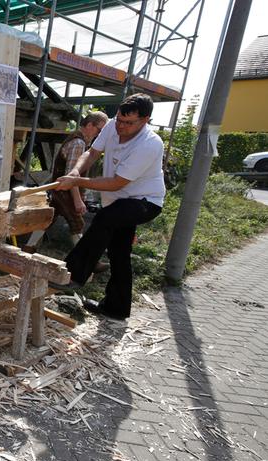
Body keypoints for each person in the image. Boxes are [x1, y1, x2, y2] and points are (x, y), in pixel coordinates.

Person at [53, 93, 165, 320]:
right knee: (119, 254)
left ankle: (72, 274)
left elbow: (116, 183)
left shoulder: (150, 144)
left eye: (129, 123)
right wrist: (76, 170)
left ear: (145, 120)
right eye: (120, 120)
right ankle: (116, 307)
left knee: (105, 218)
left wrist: (77, 181)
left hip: (145, 202)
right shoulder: (113, 125)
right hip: (119, 201)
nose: (121, 127)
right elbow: (92, 152)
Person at [24, 111, 108, 252]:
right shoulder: (78, 143)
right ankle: (86, 259)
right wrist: (77, 200)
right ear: (89, 125)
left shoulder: (78, 140)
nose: (100, 134)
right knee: (77, 223)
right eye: (100, 130)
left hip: (61, 190)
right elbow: (71, 176)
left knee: (47, 220)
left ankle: (29, 247)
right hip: (65, 191)